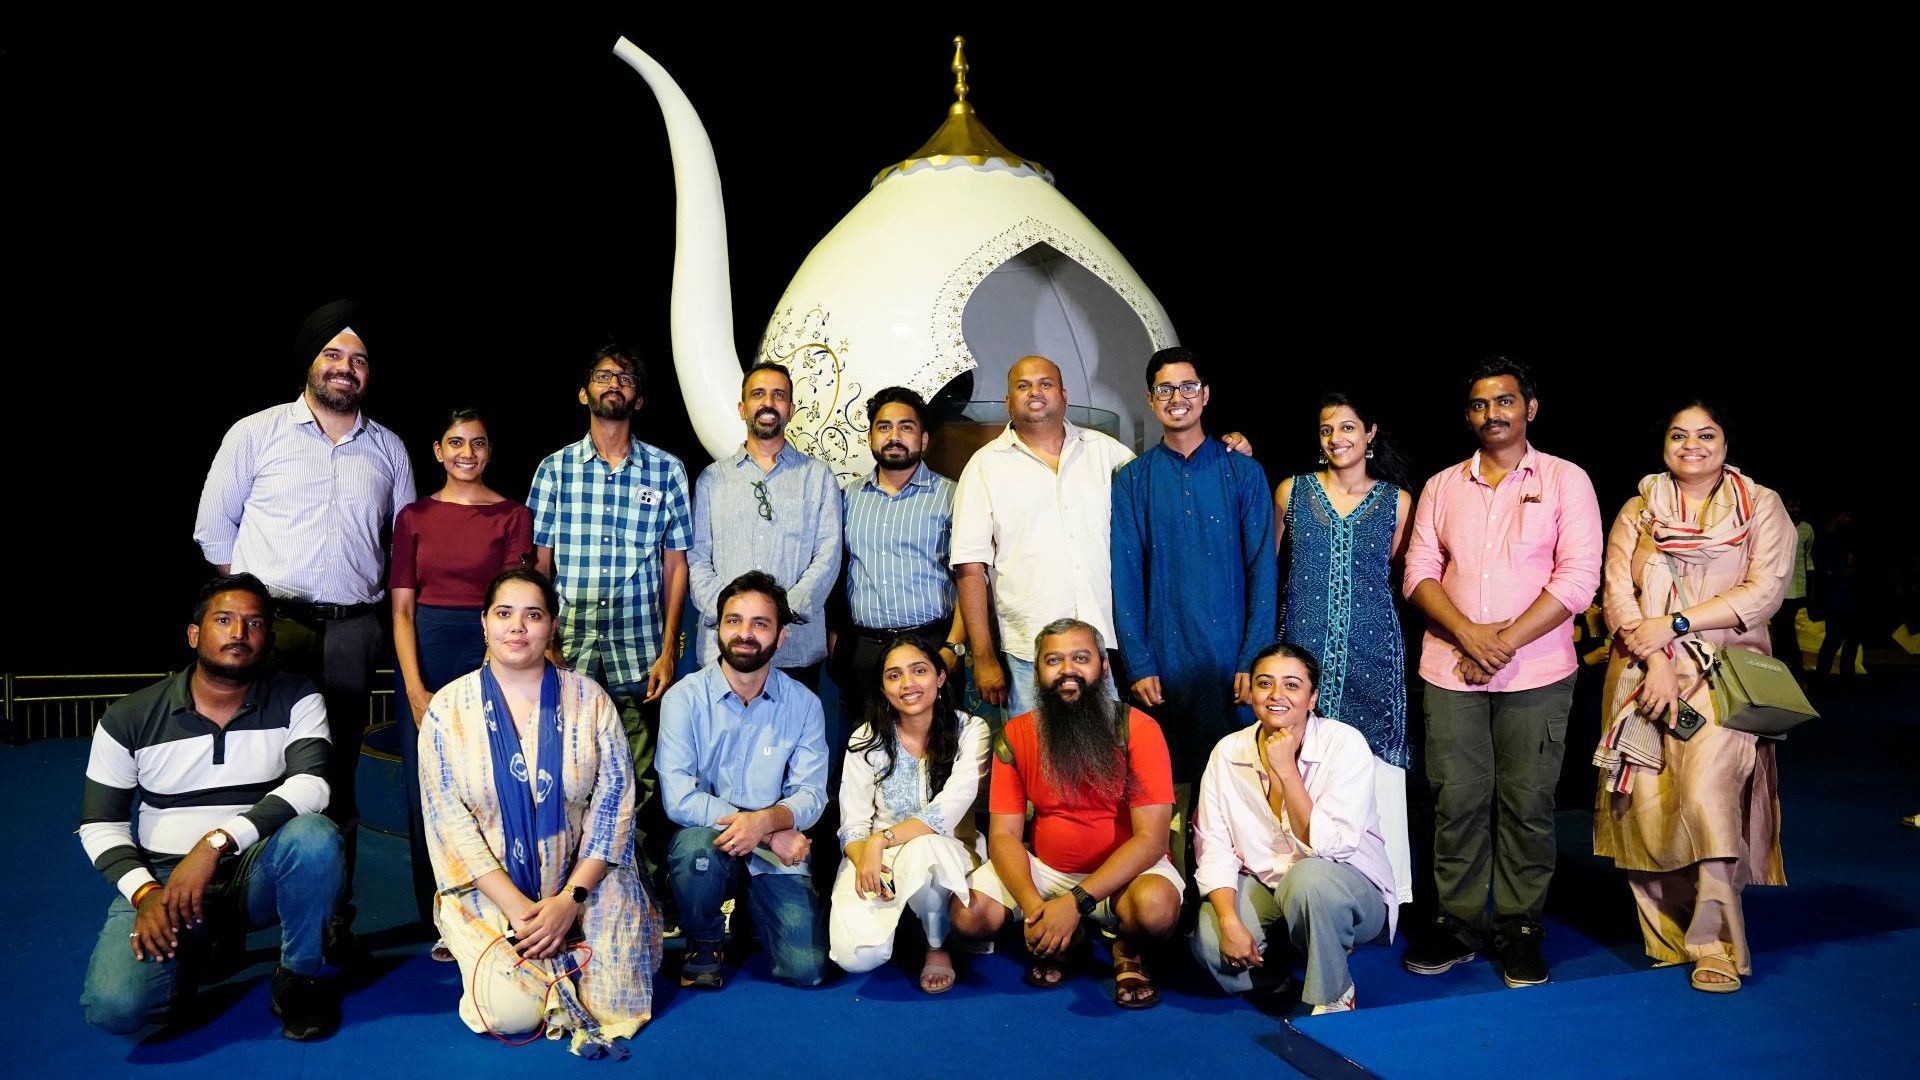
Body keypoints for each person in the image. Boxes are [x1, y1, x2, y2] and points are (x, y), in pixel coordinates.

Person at [193, 299, 414, 955]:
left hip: (352, 631)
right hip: (273, 627)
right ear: (311, 362)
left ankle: (328, 911)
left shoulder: (390, 450)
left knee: (335, 770)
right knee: (254, 767)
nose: (345, 368)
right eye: (333, 355)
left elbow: (402, 544)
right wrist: (251, 610)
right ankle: (229, 909)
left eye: (358, 359)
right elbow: (213, 529)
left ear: (368, 374)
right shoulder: (255, 434)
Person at [1400, 357, 1602, 988]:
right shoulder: (1442, 486)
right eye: (1481, 405)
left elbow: (1577, 579)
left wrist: (1503, 641)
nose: (1493, 414)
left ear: (1529, 408)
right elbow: (1418, 571)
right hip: (1449, 668)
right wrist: (1467, 634)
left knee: (1527, 805)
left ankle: (1518, 928)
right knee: (1456, 803)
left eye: (1505, 402)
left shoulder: (1568, 481)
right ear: (1469, 415)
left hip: (1537, 672)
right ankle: (1458, 925)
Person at [79, 574, 343, 1040]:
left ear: (269, 638)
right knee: (115, 1009)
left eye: (254, 623)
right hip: (167, 881)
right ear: (195, 634)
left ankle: (299, 978)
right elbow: (100, 825)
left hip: (253, 873)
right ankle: (198, 950)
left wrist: (215, 843)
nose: (239, 633)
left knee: (315, 835)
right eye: (224, 620)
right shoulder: (129, 717)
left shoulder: (296, 696)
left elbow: (313, 785)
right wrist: (145, 894)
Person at [418, 567, 662, 1055]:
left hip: (584, 879)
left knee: (611, 1005)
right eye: (504, 614)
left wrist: (569, 899)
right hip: (490, 888)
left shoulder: (589, 700)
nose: (517, 627)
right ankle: (491, 952)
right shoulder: (448, 709)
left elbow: (614, 804)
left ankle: (577, 943)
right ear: (484, 623)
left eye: (533, 615)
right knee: (512, 1016)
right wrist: (521, 913)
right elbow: (449, 823)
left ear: (552, 626)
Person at [1591, 402, 1792, 993]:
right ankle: (1667, 936)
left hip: (1724, 674)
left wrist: (1675, 626)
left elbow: (1763, 593)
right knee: (1646, 807)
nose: (1692, 445)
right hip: (1641, 675)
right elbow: (1617, 593)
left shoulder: (1761, 506)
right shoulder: (1639, 509)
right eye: (1679, 435)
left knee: (1708, 798)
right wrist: (1654, 656)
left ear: (1727, 441)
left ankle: (1716, 944)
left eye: (1707, 434)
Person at [948, 619, 1182, 1009]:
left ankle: (1127, 949)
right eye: (1053, 660)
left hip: (1126, 874)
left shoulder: (1139, 728)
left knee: (1156, 911)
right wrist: (1037, 911)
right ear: (1037, 673)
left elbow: (1151, 839)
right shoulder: (1016, 733)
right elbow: (1004, 834)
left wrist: (1074, 903)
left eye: (1081, 658)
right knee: (968, 916)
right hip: (1046, 871)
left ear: (1104, 667)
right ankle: (1061, 935)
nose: (1067, 670)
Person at [530, 344, 692, 894]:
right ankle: (564, 893)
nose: (613, 384)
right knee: (567, 778)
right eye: (602, 376)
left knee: (641, 780)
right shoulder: (554, 470)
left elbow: (676, 568)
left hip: (638, 657)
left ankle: (645, 894)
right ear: (585, 393)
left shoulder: (668, 471)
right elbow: (540, 566)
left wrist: (670, 651)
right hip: (568, 654)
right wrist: (546, 645)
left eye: (624, 377)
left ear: (639, 398)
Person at [1111, 347, 1276, 874]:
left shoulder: (1243, 473)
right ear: (1150, 401)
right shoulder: (1133, 480)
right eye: (1165, 390)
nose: (1176, 399)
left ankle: (1235, 898)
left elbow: (1262, 573)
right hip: (1164, 660)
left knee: (1237, 781)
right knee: (1166, 787)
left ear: (1205, 395)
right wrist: (1138, 663)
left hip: (1232, 661)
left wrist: (1254, 660)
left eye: (1187, 388)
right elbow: (1125, 574)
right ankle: (1174, 901)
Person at [1190, 643, 1397, 1014]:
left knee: (1309, 880)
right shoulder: (1227, 751)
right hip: (1269, 887)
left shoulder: (1344, 743)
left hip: (1346, 889)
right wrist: (1228, 919)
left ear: (1312, 697)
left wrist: (1286, 770)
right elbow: (1214, 845)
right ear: (1250, 692)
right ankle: (1279, 972)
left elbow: (1330, 848)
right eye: (1264, 683)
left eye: (1292, 685)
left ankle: (1334, 993)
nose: (1276, 695)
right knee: (1210, 940)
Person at [391, 408, 533, 931]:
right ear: (437, 450)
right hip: (426, 655)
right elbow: (402, 609)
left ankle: (495, 908)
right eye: (456, 442)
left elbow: (515, 602)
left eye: (477, 443)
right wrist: (412, 686)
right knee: (426, 787)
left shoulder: (512, 516)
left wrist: (490, 671)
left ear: (489, 451)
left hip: (489, 657)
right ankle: (441, 916)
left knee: (488, 782)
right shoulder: (412, 518)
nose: (466, 453)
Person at [1273, 391, 1415, 907]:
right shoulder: (1293, 492)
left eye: (1348, 428)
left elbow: (1398, 575)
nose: (1337, 439)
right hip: (1301, 655)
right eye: (1327, 430)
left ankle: (1386, 891)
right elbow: (1270, 569)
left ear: (1370, 433)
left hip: (1373, 656)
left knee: (1375, 765)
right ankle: (1301, 888)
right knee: (1300, 758)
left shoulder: (1398, 502)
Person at [658, 571, 831, 989]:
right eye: (734, 621)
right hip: (710, 842)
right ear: (718, 627)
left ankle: (756, 910)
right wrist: (767, 831)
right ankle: (704, 939)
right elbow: (680, 798)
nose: (745, 634)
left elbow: (811, 795)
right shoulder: (684, 698)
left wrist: (764, 828)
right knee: (696, 853)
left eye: (760, 623)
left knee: (805, 969)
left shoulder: (804, 705)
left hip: (772, 855)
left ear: (781, 636)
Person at [829, 635, 990, 992]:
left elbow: (945, 813)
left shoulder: (971, 731)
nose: (908, 684)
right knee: (855, 956)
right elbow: (852, 826)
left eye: (919, 671)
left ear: (940, 678)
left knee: (926, 846)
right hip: (879, 855)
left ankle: (936, 945)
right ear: (883, 687)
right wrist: (867, 858)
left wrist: (881, 839)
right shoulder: (864, 740)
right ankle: (902, 925)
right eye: (894, 676)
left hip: (948, 850)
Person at [687, 362, 841, 687]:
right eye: (758, 394)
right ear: (743, 409)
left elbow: (828, 557)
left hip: (794, 650)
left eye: (778, 395)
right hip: (724, 650)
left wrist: (778, 615)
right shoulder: (712, 480)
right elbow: (697, 559)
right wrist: (736, 619)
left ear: (791, 409)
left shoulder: (818, 477)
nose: (768, 403)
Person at [834, 386, 967, 723]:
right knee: (867, 753)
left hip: (931, 646)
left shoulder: (952, 496)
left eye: (906, 427)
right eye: (884, 427)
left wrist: (952, 649)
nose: (894, 436)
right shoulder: (846, 498)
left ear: (923, 439)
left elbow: (969, 578)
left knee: (940, 752)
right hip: (865, 653)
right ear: (870, 437)